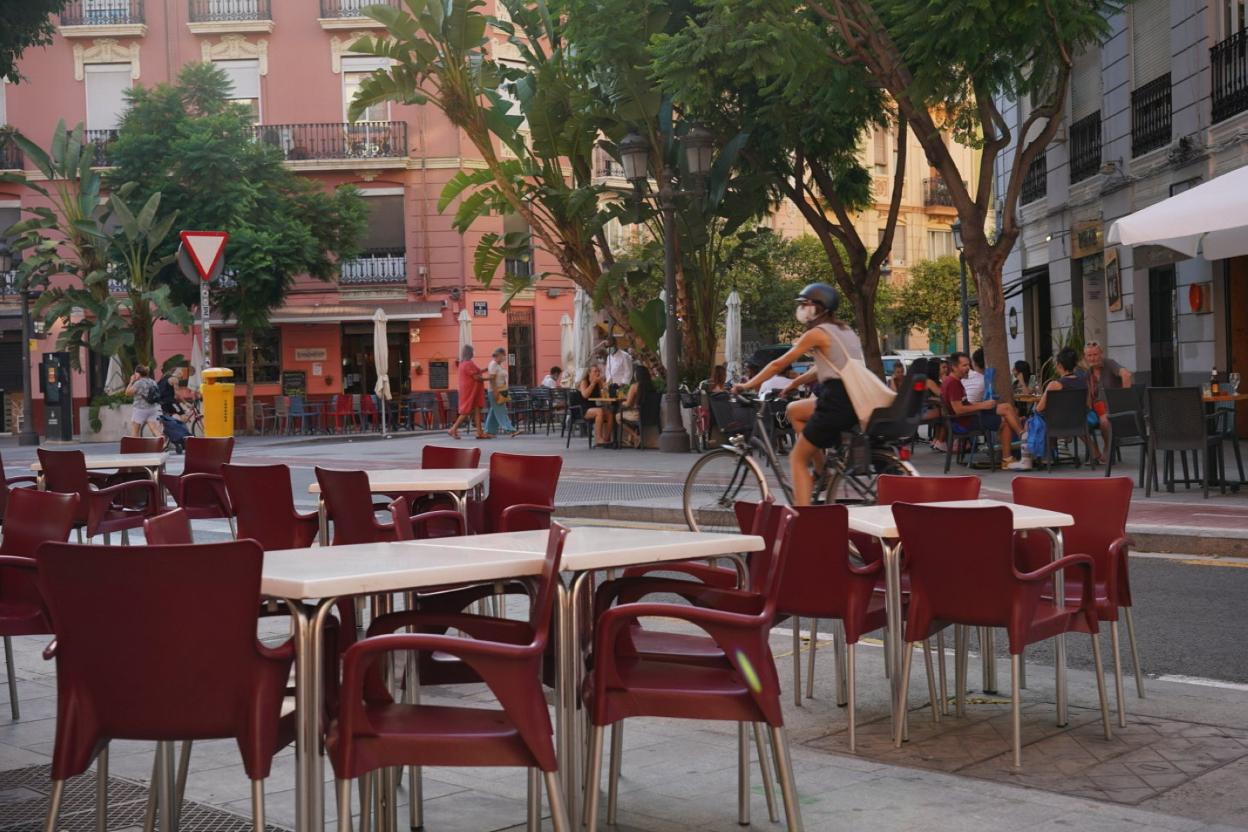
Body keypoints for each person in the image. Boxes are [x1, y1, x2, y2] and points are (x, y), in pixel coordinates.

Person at [733, 282, 863, 505]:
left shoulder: (817, 333)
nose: (801, 308)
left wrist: (746, 385)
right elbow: (824, 367)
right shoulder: (845, 330)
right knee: (794, 410)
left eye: (805, 304)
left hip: (836, 401)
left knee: (797, 459)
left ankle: (803, 519)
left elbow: (778, 364)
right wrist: (794, 384)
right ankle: (823, 471)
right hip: (853, 397)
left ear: (818, 308)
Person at [941, 351, 1031, 470]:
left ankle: (1022, 435)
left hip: (969, 416)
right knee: (1004, 422)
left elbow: (964, 404)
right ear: (954, 367)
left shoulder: (954, 381)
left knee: (1007, 407)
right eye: (964, 366)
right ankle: (1010, 456)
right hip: (965, 421)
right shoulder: (953, 383)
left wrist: (983, 404)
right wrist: (982, 406)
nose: (968, 368)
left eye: (969, 365)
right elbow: (958, 410)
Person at [1084, 341, 1131, 461]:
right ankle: (1095, 452)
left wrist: (1124, 401)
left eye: (1095, 354)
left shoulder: (1109, 364)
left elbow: (1126, 375)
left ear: (1101, 354)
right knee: (1077, 421)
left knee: (1105, 420)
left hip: (1112, 408)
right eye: (1089, 355)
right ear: (1085, 357)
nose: (1093, 358)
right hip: (1096, 409)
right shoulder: (1088, 372)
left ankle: (1107, 448)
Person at [447, 345, 490, 439]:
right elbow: (476, 377)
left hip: (469, 390)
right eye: (472, 351)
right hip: (470, 391)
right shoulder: (468, 364)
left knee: (476, 409)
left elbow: (476, 372)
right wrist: (490, 378)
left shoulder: (463, 363)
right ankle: (453, 429)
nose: (474, 352)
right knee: (466, 411)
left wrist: (487, 369)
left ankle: (479, 432)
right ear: (469, 352)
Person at [484, 347, 521, 437]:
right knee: (502, 411)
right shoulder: (493, 364)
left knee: (494, 411)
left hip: (502, 390)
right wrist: (495, 392)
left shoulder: (499, 365)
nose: (505, 357)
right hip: (495, 391)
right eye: (504, 355)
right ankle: (510, 429)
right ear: (499, 355)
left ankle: (489, 431)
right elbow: (492, 380)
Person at [579, 365, 616, 446]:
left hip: (593, 407)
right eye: (595, 371)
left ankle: (606, 439)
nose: (597, 373)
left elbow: (605, 394)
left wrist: (602, 383)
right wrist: (593, 383)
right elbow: (585, 395)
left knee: (610, 413)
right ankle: (598, 438)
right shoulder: (584, 382)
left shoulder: (598, 382)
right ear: (589, 373)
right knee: (599, 411)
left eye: (598, 371)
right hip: (584, 409)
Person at [125, 365, 163, 438]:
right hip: (153, 408)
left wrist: (131, 381)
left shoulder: (139, 383)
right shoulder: (153, 381)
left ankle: (135, 448)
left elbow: (127, 393)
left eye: (135, 373)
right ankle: (162, 443)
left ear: (138, 374)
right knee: (154, 429)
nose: (135, 375)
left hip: (140, 409)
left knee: (135, 431)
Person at [619, 364, 652, 447]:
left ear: (637, 375)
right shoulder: (651, 386)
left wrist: (621, 403)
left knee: (618, 417)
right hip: (650, 414)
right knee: (629, 415)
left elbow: (628, 404)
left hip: (638, 414)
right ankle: (631, 440)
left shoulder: (635, 386)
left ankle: (636, 436)